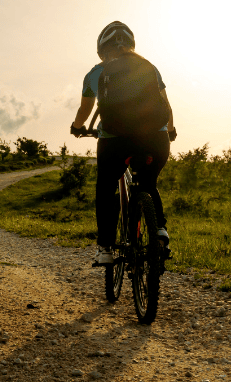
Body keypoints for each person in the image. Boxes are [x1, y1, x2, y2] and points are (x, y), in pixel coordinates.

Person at [70, 21, 176, 265]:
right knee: (148, 181)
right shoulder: (149, 67)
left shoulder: (95, 73)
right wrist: (169, 131)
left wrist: (77, 127)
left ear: (102, 50)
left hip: (115, 141)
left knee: (106, 188)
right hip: (155, 139)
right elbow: (167, 107)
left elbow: (84, 111)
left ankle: (105, 248)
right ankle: (160, 230)